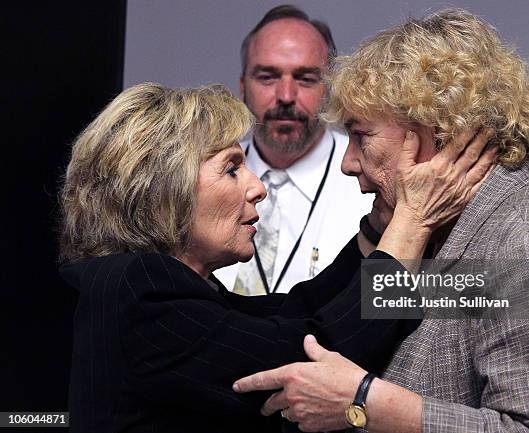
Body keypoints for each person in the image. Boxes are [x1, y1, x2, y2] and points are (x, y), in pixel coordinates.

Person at [233, 9, 529, 433]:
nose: (347, 162)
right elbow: (332, 331)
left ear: (439, 132)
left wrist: (365, 402)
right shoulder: (440, 230)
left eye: (361, 136)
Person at [58, 82, 494, 432]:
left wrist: (377, 231)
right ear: (160, 191)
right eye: (231, 169)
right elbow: (306, 354)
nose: (257, 186)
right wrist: (413, 223)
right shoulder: (138, 287)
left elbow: (293, 313)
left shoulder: (159, 288)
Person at [214, 5, 373, 295]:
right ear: (242, 88)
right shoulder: (202, 180)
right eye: (267, 77)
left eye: (305, 79)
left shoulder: (372, 182)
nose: (286, 96)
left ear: (329, 89)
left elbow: (406, 303)